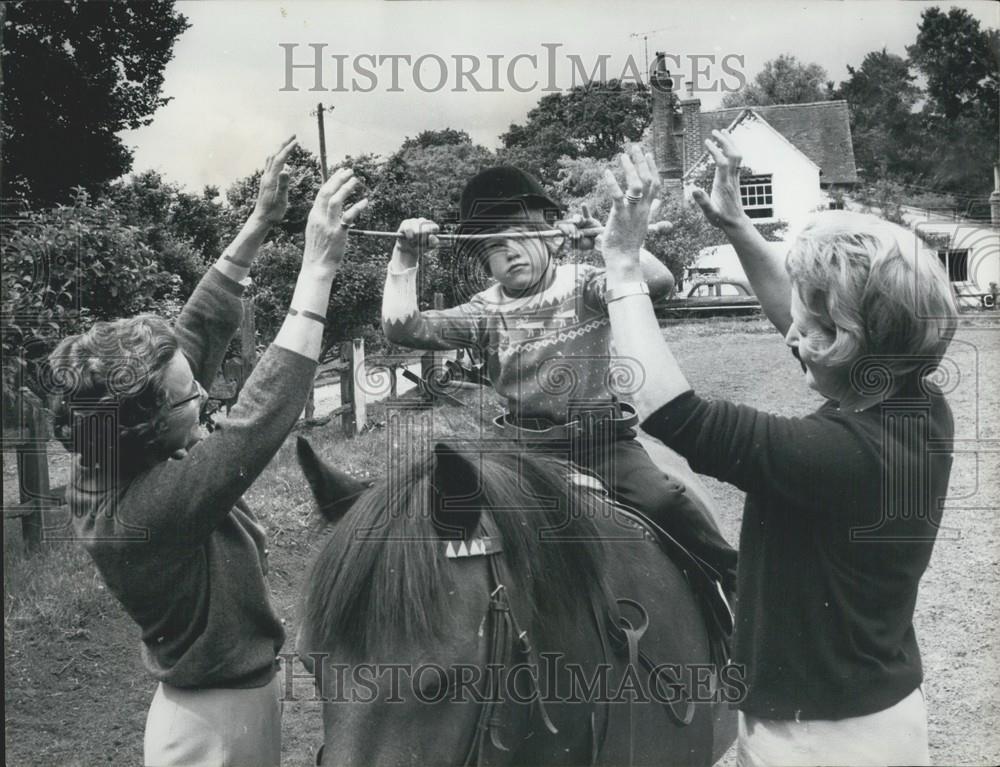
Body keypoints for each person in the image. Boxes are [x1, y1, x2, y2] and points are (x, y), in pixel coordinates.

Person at [599, 136, 957, 766]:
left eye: (811, 331)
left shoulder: (838, 453)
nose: (790, 336)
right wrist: (738, 225)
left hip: (822, 740)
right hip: (865, 715)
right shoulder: (913, 403)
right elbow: (799, 318)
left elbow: (672, 413)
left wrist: (624, 269)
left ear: (850, 343)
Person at [47, 137, 368, 767]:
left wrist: (259, 223)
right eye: (190, 396)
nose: (203, 391)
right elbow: (255, 423)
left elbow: (191, 333)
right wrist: (318, 270)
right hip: (214, 725)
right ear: (143, 429)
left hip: (226, 703)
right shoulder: (142, 513)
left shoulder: (119, 451)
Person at [380, 164, 738, 591]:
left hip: (601, 444)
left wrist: (615, 246)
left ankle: (732, 583)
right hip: (521, 453)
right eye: (494, 245)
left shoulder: (586, 285)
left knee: (662, 500)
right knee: (465, 533)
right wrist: (406, 255)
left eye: (523, 236)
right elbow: (402, 328)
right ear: (481, 260)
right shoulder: (482, 313)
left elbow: (659, 283)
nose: (511, 252)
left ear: (552, 238)